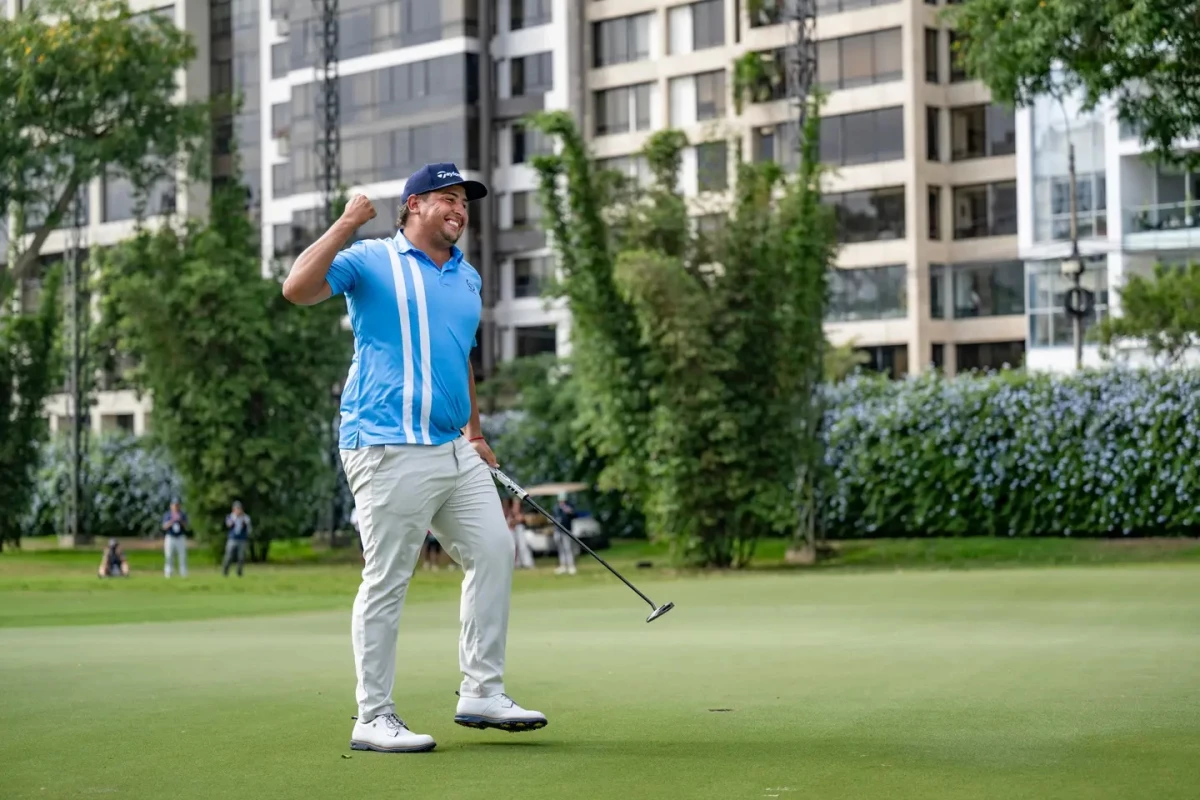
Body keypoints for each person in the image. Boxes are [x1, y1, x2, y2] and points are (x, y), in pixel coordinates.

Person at [283, 162, 546, 754]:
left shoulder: (467, 277)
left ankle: (481, 691)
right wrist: (346, 222)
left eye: (465, 202)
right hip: (386, 442)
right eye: (447, 198)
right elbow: (296, 288)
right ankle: (372, 716)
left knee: (495, 551)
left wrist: (475, 432)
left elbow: (460, 357)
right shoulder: (371, 258)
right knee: (388, 578)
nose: (459, 209)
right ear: (414, 205)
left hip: (453, 446)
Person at [161, 498, 190, 578]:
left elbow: (186, 526)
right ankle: (168, 573)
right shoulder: (167, 515)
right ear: (171, 506)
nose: (176, 507)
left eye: (177, 505)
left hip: (180, 537)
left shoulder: (182, 514)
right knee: (169, 556)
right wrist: (172, 521)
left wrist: (180, 520)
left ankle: (183, 573)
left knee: (182, 556)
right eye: (174, 505)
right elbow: (164, 526)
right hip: (170, 537)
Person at [222, 501, 252, 577]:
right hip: (232, 539)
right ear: (233, 510)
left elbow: (249, 529)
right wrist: (235, 519)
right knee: (229, 556)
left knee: (241, 557)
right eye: (237, 509)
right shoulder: (230, 517)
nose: (238, 510)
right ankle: (225, 570)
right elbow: (228, 525)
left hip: (242, 539)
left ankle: (239, 572)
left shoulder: (246, 518)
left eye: (239, 509)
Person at [552, 494, 578, 576]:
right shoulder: (556, 508)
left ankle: (571, 566)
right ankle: (563, 566)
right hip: (558, 531)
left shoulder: (569, 507)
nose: (561, 502)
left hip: (566, 530)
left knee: (568, 549)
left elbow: (574, 515)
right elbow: (554, 518)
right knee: (561, 549)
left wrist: (568, 510)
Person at [508, 499, 535, 570]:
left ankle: (528, 563)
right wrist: (515, 520)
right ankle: (517, 563)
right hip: (513, 531)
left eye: (517, 505)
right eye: (515, 505)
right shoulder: (510, 514)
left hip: (520, 530)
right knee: (514, 548)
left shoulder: (521, 513)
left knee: (523, 547)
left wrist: (517, 519)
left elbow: (523, 520)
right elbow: (510, 523)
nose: (516, 507)